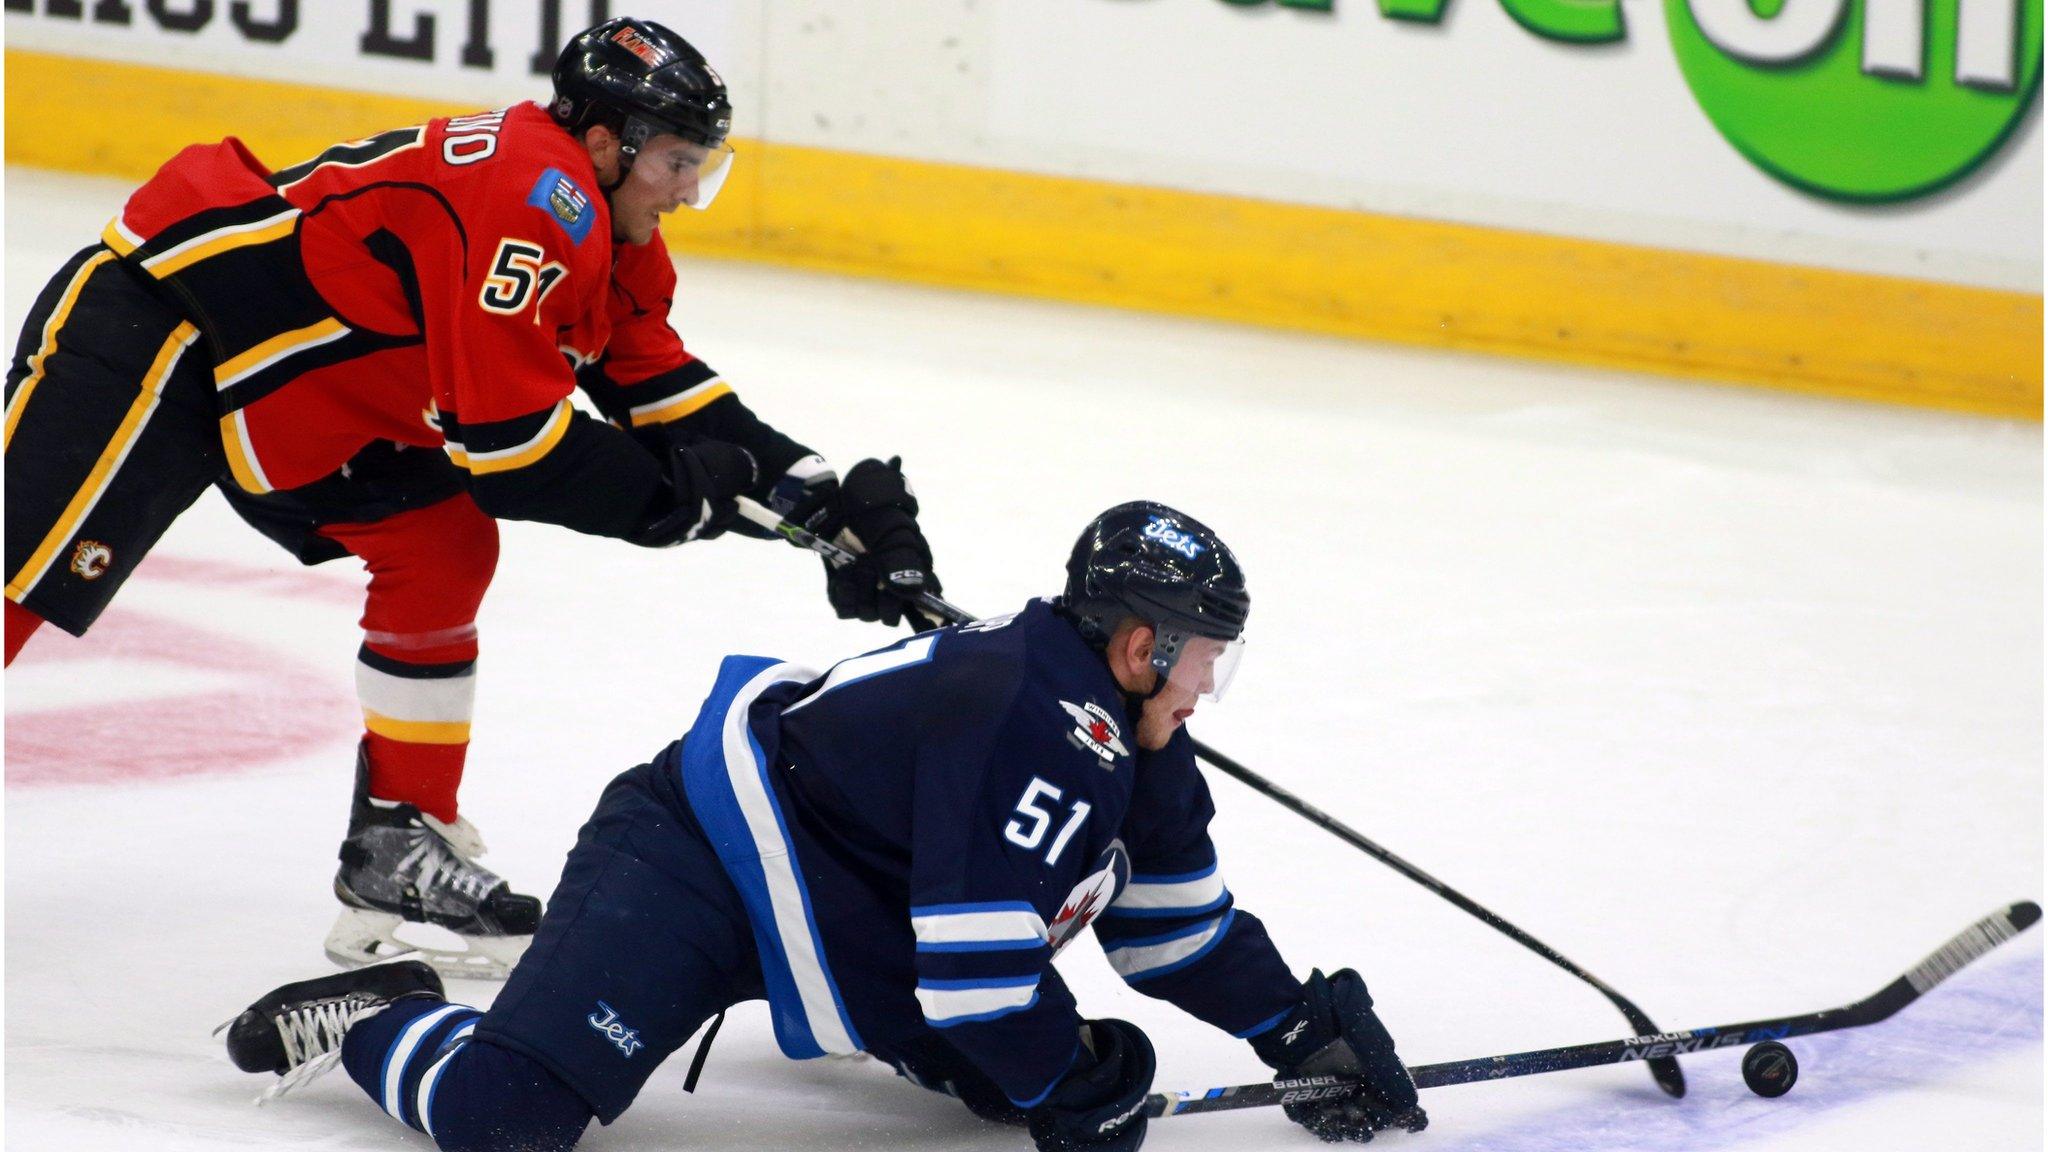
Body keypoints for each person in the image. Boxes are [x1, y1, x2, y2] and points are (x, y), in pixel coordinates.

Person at [3, 16, 943, 979]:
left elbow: (658, 390)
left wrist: (825, 503)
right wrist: (682, 505)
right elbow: (511, 449)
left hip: (313, 402)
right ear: (604, 143)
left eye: (703, 162)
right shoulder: (532, 198)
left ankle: (395, 847)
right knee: (17, 583)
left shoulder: (610, 227)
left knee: (442, 548)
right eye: (674, 160)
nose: (690, 190)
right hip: (170, 328)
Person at [220, 502, 1429, 1151]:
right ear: (1138, 643)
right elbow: (971, 981)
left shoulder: (1134, 746)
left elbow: (1172, 932)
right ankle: (389, 1021)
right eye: (1200, 656)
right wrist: (1067, 1074)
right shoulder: (1029, 715)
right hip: (701, 858)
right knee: (506, 1122)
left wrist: (1297, 1028)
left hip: (855, 909)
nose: (1205, 685)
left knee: (1011, 1087)